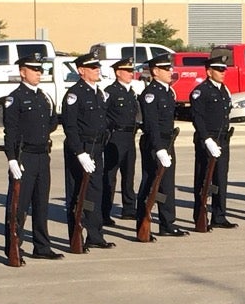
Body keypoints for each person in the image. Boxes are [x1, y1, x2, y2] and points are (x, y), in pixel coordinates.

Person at [2, 56, 63, 262]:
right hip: (24, 156)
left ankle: (42, 246)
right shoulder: (15, 98)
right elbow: (10, 131)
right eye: (34, 69)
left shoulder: (43, 97)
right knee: (19, 206)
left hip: (42, 156)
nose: (39, 73)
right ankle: (13, 247)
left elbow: (52, 121)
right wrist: (12, 158)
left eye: (40, 70)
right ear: (22, 72)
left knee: (41, 204)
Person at [62, 54, 113, 249]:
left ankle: (95, 234)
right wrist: (79, 152)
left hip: (97, 147)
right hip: (81, 149)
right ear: (81, 70)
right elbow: (70, 126)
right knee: (77, 193)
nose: (97, 70)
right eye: (92, 67)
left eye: (97, 66)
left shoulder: (98, 92)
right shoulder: (75, 94)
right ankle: (76, 236)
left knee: (94, 191)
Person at [188, 54, 239, 229]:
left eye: (224, 69)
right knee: (203, 179)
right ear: (209, 72)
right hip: (207, 139)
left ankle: (219, 215)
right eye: (219, 70)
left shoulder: (224, 89)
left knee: (220, 178)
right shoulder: (201, 91)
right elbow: (198, 118)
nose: (223, 72)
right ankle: (200, 216)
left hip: (223, 139)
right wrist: (207, 139)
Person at [137, 56, 184, 237]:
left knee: (166, 184)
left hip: (167, 142)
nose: (170, 72)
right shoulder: (151, 94)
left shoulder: (167, 92)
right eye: (166, 69)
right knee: (150, 183)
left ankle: (167, 223)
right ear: (155, 71)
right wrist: (159, 148)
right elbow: (152, 124)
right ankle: (142, 223)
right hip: (155, 144)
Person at [103, 57, 140, 224]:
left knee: (129, 174)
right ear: (118, 72)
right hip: (115, 138)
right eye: (127, 71)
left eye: (132, 71)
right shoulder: (110, 92)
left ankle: (129, 209)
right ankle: (104, 211)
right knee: (110, 176)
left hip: (129, 137)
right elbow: (103, 115)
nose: (131, 74)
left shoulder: (130, 92)